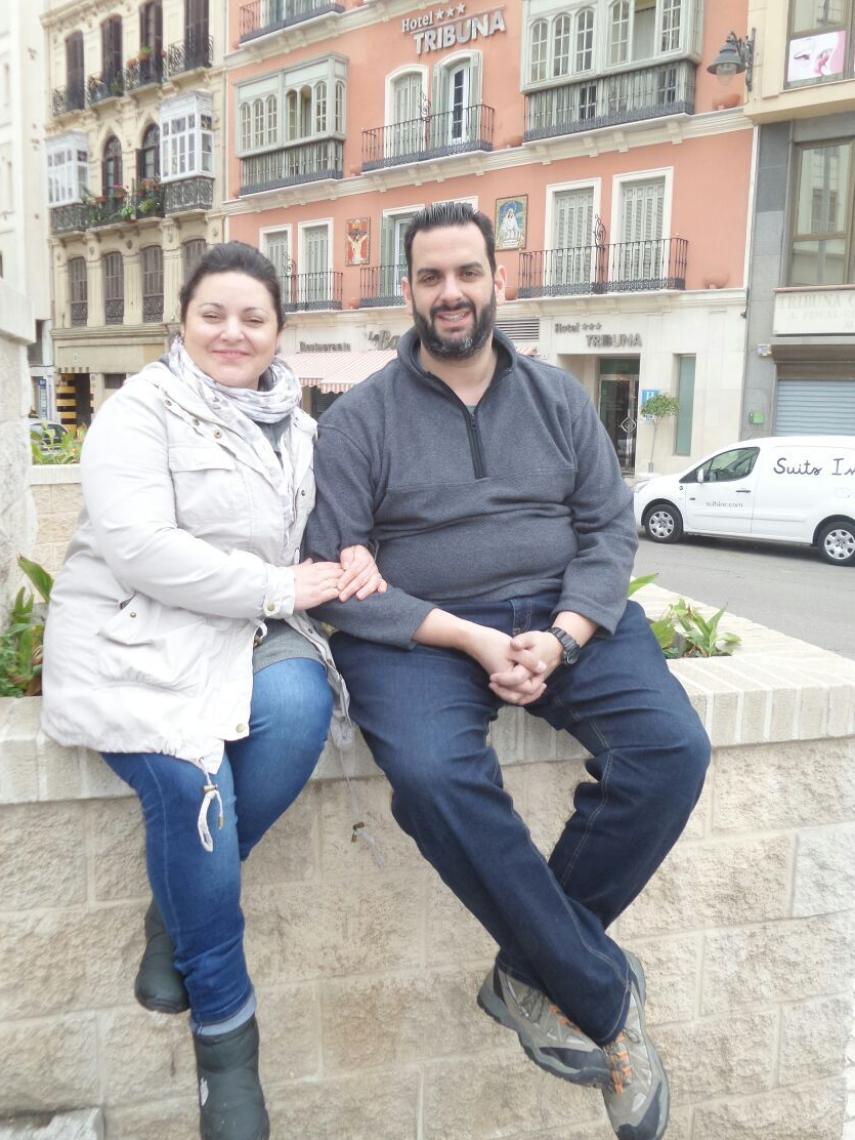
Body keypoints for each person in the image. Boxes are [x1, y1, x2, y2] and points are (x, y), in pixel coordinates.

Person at [305, 202, 710, 1140]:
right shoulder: (357, 420)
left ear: (500, 280)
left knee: (669, 749)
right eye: (431, 277)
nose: (451, 294)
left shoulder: (561, 398)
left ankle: (530, 972)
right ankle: (602, 1000)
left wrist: (564, 634)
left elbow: (608, 528)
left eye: (467, 273)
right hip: (427, 637)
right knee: (433, 776)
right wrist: (470, 639)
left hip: (563, 615)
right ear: (406, 291)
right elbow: (331, 574)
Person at [41, 241, 385, 1140]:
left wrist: (350, 552)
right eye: (214, 314)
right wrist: (281, 589)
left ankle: (174, 912)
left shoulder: (299, 428)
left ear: (279, 333)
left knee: (304, 705)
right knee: (197, 791)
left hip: (240, 635)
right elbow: (141, 551)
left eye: (253, 318)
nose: (233, 332)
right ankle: (226, 1048)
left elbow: (325, 532)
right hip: (134, 636)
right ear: (182, 322)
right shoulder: (136, 413)